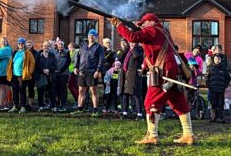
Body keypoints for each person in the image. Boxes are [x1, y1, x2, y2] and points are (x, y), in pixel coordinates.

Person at [109, 13, 195, 145]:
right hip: (171, 70)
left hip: (163, 72)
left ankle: (152, 136)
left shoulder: (152, 30)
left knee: (150, 102)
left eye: (143, 23)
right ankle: (189, 135)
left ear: (151, 22)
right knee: (178, 103)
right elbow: (153, 52)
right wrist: (144, 66)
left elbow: (132, 37)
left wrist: (119, 25)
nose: (141, 25)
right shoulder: (163, 31)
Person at [71, 29, 104, 117]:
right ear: (88, 36)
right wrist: (76, 67)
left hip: (92, 71)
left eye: (93, 35)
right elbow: (78, 56)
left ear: (96, 37)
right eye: (90, 35)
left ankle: (95, 110)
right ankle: (80, 108)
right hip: (82, 71)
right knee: (81, 90)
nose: (91, 37)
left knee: (93, 90)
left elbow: (101, 60)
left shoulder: (99, 47)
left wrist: (98, 70)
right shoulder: (83, 45)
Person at [7, 37, 35, 113]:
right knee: (15, 91)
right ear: (17, 44)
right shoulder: (15, 52)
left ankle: (23, 107)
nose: (21, 45)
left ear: (24, 44)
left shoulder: (27, 52)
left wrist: (29, 72)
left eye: (22, 43)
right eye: (19, 43)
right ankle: (15, 106)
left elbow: (32, 63)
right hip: (14, 75)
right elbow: (10, 62)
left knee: (22, 91)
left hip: (22, 75)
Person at [117, 42, 144, 119]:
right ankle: (125, 112)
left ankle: (139, 114)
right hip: (125, 74)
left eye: (134, 43)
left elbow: (137, 57)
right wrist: (126, 49)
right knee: (125, 94)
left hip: (134, 75)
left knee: (136, 94)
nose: (131, 44)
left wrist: (135, 48)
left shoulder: (140, 50)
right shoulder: (127, 51)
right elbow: (120, 57)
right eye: (130, 43)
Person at [206, 54, 230, 123]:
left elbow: (228, 78)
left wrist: (224, 86)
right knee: (213, 104)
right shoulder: (210, 67)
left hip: (221, 90)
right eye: (216, 59)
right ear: (214, 60)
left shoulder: (224, 68)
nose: (217, 60)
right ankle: (213, 118)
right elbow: (206, 77)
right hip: (212, 89)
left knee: (220, 104)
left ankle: (221, 118)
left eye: (218, 59)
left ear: (220, 60)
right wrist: (208, 85)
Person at [36, 41, 57, 112]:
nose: (46, 47)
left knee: (51, 92)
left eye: (47, 46)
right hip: (41, 76)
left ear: (49, 47)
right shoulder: (39, 55)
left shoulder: (52, 55)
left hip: (50, 76)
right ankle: (41, 106)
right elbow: (37, 65)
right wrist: (43, 70)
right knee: (40, 92)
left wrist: (49, 70)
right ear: (42, 47)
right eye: (45, 46)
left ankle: (53, 106)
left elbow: (55, 65)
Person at [0, 37, 12, 111]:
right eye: (2, 41)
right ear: (0, 42)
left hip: (4, 72)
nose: (3, 42)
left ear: (7, 42)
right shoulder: (0, 49)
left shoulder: (7, 49)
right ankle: (5, 104)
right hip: (0, 71)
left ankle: (2, 105)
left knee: (3, 88)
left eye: (5, 41)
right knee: (4, 88)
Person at [55, 40, 71, 111]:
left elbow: (68, 62)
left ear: (63, 45)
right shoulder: (54, 52)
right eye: (59, 45)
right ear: (57, 45)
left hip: (64, 73)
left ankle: (63, 104)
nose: (60, 46)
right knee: (56, 89)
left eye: (61, 45)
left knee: (63, 89)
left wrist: (61, 70)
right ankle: (57, 103)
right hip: (55, 73)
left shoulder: (67, 52)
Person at [26, 40, 38, 109]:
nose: (28, 46)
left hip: (32, 74)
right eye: (27, 45)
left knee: (31, 89)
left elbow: (35, 63)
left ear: (32, 45)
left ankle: (30, 104)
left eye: (30, 45)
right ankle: (23, 103)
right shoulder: (23, 52)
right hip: (24, 74)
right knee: (23, 89)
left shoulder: (36, 53)